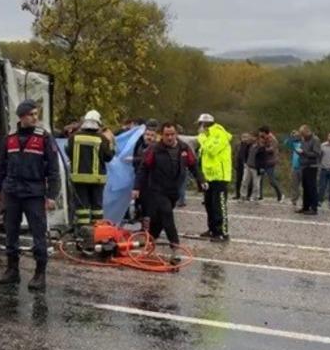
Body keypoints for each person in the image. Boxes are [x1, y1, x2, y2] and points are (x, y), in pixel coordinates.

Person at [0, 100, 60, 291]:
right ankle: (12, 270)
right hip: (12, 192)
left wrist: (52, 195)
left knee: (38, 234)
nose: (35, 118)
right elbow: (0, 166)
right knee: (11, 232)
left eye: (36, 114)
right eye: (32, 114)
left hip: (34, 194)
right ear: (22, 116)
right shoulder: (10, 138)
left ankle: (40, 274)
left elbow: (53, 170)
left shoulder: (44, 138)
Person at [133, 123, 206, 264]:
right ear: (162, 135)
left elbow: (193, 165)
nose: (170, 137)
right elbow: (143, 169)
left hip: (174, 190)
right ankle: (175, 247)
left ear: (176, 134)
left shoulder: (184, 148)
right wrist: (136, 188)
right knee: (167, 214)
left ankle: (150, 239)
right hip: (157, 189)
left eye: (172, 134)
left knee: (159, 219)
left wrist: (201, 180)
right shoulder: (154, 149)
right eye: (167, 135)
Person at [66, 110, 115, 226]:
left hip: (78, 178)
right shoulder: (102, 139)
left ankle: (83, 231)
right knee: (97, 207)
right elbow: (108, 157)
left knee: (82, 207)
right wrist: (112, 143)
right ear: (98, 123)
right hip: (97, 179)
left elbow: (68, 152)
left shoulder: (74, 137)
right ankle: (97, 231)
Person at [196, 113, 232, 242]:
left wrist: (202, 138)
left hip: (220, 176)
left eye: (200, 125)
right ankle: (212, 229)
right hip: (209, 177)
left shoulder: (219, 133)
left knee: (219, 205)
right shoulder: (207, 136)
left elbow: (212, 150)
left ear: (204, 124)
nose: (199, 128)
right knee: (209, 204)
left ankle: (222, 232)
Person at [296, 125, 321, 215]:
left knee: (312, 187)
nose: (302, 135)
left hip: (312, 166)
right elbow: (302, 150)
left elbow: (316, 153)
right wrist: (299, 152)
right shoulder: (303, 139)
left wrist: (304, 152)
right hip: (304, 165)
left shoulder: (315, 139)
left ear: (307, 131)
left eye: (303, 133)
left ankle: (314, 208)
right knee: (305, 186)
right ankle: (305, 207)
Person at [258, 126, 284, 202]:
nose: (259, 133)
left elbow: (272, 149)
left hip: (270, 161)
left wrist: (263, 149)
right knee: (260, 179)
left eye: (261, 132)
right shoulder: (262, 138)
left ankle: (280, 194)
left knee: (271, 180)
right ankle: (260, 196)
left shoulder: (272, 139)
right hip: (263, 161)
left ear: (264, 132)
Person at [239, 133, 264, 201]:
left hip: (256, 167)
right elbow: (245, 153)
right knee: (244, 181)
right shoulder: (249, 145)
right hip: (248, 166)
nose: (252, 138)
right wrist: (245, 162)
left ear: (256, 138)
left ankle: (255, 196)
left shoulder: (261, 147)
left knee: (256, 183)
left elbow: (263, 158)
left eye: (253, 137)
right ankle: (243, 195)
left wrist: (262, 167)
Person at [284, 131, 303, 207]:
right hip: (295, 167)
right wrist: (291, 136)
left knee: (304, 186)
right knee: (294, 185)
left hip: (303, 167)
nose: (297, 136)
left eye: (298, 135)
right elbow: (286, 143)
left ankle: (304, 201)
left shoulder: (305, 143)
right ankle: (293, 200)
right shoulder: (294, 144)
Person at [233, 133, 252, 200]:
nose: (244, 138)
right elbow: (234, 154)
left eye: (246, 137)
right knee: (238, 180)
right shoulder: (238, 145)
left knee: (248, 180)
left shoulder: (250, 145)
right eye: (243, 137)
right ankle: (238, 194)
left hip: (247, 164)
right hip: (239, 164)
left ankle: (248, 195)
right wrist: (234, 163)